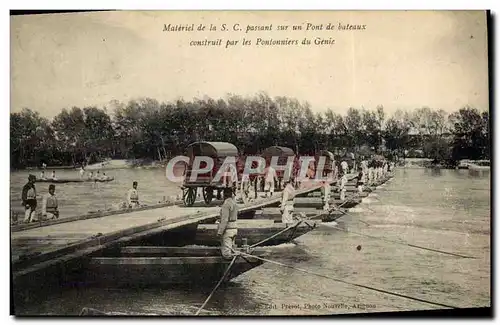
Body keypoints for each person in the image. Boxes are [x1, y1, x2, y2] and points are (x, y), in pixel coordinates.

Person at [217, 187, 238, 259]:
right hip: (234, 228)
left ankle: (227, 269)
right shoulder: (234, 203)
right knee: (232, 250)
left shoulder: (226, 204)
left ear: (224, 194)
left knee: (226, 254)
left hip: (228, 230)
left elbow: (225, 219)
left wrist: (220, 231)